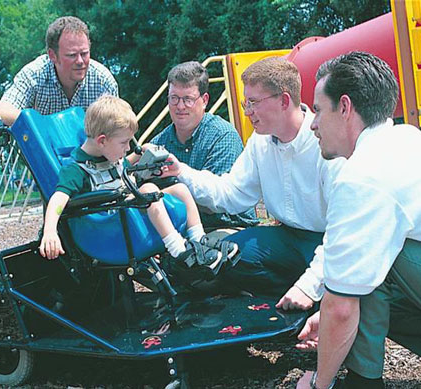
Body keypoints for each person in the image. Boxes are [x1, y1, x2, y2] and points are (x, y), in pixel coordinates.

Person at [161, 57, 344, 308]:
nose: (247, 112)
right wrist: (180, 170)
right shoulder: (260, 142)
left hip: (330, 239)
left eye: (254, 103)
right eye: (246, 103)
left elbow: (343, 232)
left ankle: (318, 303)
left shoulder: (326, 141)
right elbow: (231, 194)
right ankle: (289, 306)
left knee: (337, 275)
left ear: (284, 100)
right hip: (288, 238)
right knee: (227, 256)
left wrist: (308, 286)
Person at [296, 51, 421, 388]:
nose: (313, 123)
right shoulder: (406, 136)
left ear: (346, 108)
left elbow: (342, 306)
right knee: (372, 259)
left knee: (363, 272)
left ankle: (363, 383)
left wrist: (319, 383)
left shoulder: (361, 176)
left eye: (319, 110)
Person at [38, 95, 238, 275]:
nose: (127, 148)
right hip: (109, 226)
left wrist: (142, 154)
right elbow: (58, 198)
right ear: (102, 140)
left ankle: (198, 241)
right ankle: (179, 252)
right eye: (124, 143)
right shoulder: (76, 170)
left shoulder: (109, 155)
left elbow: (125, 165)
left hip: (125, 212)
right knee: (149, 190)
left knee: (179, 188)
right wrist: (50, 231)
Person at [150, 61, 257, 229]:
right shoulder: (159, 142)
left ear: (205, 100)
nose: (180, 106)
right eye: (174, 98)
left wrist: (158, 198)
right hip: (180, 228)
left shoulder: (222, 137)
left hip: (228, 226)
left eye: (188, 99)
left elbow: (216, 203)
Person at [0, 16, 118, 126]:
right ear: (52, 55)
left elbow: (116, 129)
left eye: (84, 53)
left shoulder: (103, 81)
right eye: (72, 55)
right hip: (38, 151)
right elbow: (2, 111)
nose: (80, 61)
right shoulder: (34, 74)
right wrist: (48, 125)